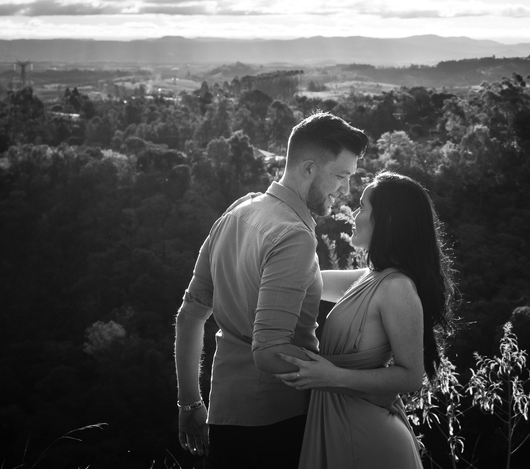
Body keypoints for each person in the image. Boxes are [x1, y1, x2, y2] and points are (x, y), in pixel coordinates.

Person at [174, 111, 370, 468]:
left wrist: (189, 403)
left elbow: (189, 316)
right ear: (308, 169)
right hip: (276, 425)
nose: (346, 190)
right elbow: (269, 352)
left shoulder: (238, 211)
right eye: (342, 176)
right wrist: (358, 376)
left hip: (224, 417)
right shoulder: (294, 235)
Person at [273, 171, 456, 469]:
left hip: (368, 439)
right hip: (341, 425)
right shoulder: (370, 278)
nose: (354, 216)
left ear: (387, 220)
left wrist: (334, 377)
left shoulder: (397, 287)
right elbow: (305, 281)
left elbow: (411, 376)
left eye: (362, 207)